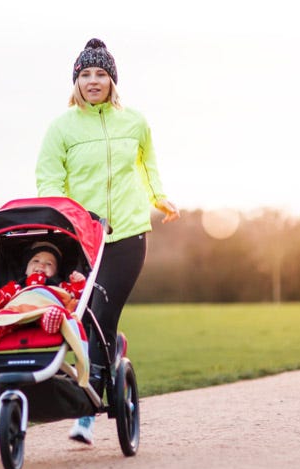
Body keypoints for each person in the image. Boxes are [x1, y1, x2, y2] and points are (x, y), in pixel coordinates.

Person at [35, 38, 180, 445]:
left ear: (113, 81)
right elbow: (48, 179)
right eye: (85, 74)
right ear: (76, 82)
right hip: (81, 238)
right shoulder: (61, 127)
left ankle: (86, 413)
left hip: (128, 234)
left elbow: (147, 165)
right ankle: (105, 355)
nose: (93, 81)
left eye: (100, 74)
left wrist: (158, 197)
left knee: (101, 313)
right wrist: (62, 215)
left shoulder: (134, 121)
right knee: (79, 316)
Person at [0, 241, 86, 344]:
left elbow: (73, 295)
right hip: (19, 312)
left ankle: (50, 322)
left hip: (44, 309)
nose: (41, 265)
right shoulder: (16, 286)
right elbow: (5, 295)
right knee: (6, 314)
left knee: (54, 311)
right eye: (36, 261)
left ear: (56, 272)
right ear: (26, 269)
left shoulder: (58, 285)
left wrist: (78, 283)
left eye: (49, 264)